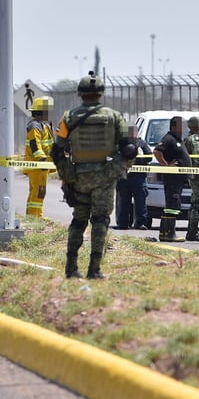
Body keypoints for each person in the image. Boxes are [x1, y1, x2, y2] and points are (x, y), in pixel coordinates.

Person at [50, 71, 132, 279]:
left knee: (78, 221)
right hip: (104, 177)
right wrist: (118, 170)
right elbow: (129, 148)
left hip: (79, 177)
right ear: (101, 93)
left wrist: (67, 175)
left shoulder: (68, 117)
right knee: (100, 220)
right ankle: (94, 269)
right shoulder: (114, 117)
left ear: (80, 93)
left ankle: (71, 268)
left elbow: (56, 151)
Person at [153, 116, 191, 242]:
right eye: (182, 125)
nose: (184, 128)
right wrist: (166, 165)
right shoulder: (168, 139)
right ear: (174, 126)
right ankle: (170, 233)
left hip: (178, 179)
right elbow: (157, 152)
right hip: (172, 179)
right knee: (173, 206)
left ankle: (164, 233)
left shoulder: (178, 139)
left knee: (172, 206)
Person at [115, 125, 153, 230]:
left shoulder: (141, 144)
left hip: (138, 178)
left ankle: (141, 223)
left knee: (140, 202)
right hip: (124, 178)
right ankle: (123, 223)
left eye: (133, 132)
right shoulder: (121, 144)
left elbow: (149, 156)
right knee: (124, 202)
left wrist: (139, 160)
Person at [23, 95, 54, 217]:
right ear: (42, 112)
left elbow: (49, 145)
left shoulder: (44, 125)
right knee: (39, 191)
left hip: (41, 165)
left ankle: (33, 216)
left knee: (36, 191)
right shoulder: (35, 126)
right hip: (38, 165)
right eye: (47, 111)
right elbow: (35, 145)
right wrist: (42, 159)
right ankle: (35, 217)